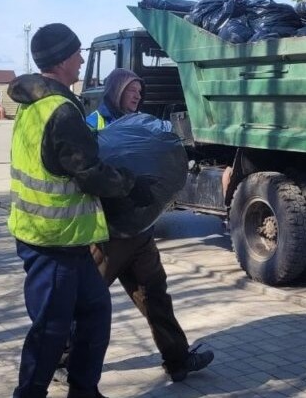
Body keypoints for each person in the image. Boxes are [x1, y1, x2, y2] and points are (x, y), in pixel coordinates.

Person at [8, 23, 153, 398]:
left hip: (66, 242)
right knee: (50, 330)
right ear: (60, 61)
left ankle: (84, 390)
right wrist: (128, 183)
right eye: (77, 54)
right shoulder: (60, 110)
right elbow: (88, 173)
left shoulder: (35, 103)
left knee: (94, 314)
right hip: (52, 242)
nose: (82, 60)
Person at [84, 68, 215, 382]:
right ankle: (62, 360)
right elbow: (87, 171)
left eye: (139, 93)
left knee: (155, 294)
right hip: (108, 233)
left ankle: (178, 360)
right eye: (131, 91)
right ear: (116, 90)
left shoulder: (141, 124)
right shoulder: (92, 125)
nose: (137, 97)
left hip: (141, 229)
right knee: (86, 300)